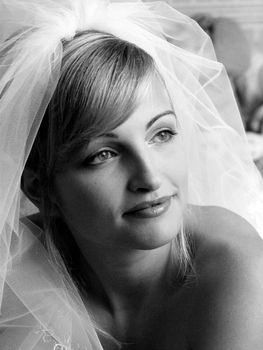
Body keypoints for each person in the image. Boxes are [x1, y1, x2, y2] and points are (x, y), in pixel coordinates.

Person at [1, 0, 263, 349]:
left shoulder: (236, 267)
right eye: (103, 155)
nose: (150, 178)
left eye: (162, 134)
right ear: (40, 189)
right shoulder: (16, 276)